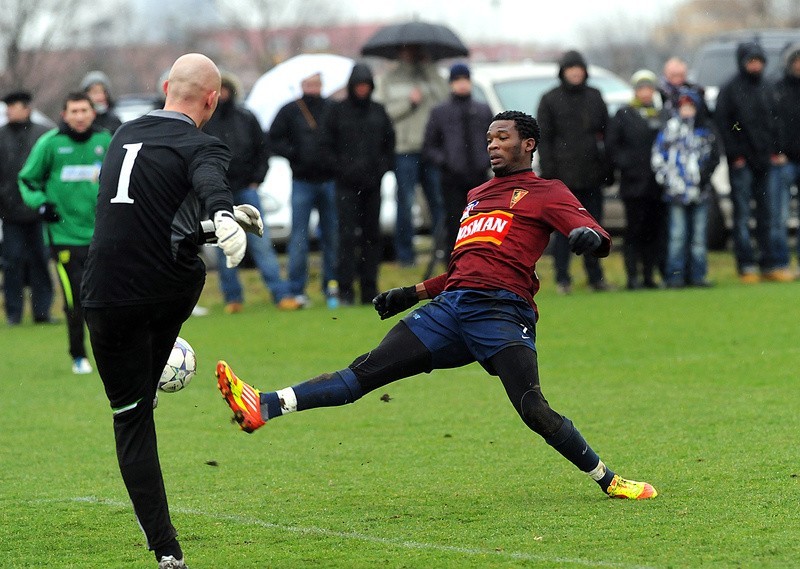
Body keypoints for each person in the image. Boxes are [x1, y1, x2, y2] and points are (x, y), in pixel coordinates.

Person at [215, 110, 658, 502]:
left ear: (528, 144)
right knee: (364, 371)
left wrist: (590, 240)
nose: (493, 144)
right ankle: (265, 404)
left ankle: (608, 478)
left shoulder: (547, 192)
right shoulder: (477, 195)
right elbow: (465, 267)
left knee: (533, 409)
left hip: (502, 312)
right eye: (489, 139)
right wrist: (411, 293)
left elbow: (595, 234)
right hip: (450, 308)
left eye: (502, 137)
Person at [81, 53, 253, 569]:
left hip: (103, 294)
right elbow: (208, 180)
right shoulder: (202, 143)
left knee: (130, 421)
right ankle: (154, 369)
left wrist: (208, 223)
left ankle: (166, 552)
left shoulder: (121, 134)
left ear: (163, 88)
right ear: (212, 99)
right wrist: (221, 213)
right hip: (162, 291)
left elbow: (139, 217)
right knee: (192, 270)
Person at [18, 92, 111, 373]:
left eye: (84, 110)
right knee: (75, 300)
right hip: (64, 238)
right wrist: (41, 205)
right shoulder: (51, 143)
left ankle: (112, 355)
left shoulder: (106, 141)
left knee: (107, 299)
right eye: (74, 111)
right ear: (64, 114)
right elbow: (27, 180)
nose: (79, 116)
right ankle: (79, 356)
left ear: (93, 113)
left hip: (102, 237)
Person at [203, 72, 299, 313]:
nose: (223, 94)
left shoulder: (246, 118)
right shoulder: (206, 122)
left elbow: (262, 150)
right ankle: (233, 299)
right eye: (219, 90)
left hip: (247, 189)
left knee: (260, 243)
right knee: (225, 244)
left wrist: (257, 179)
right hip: (218, 194)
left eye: (226, 89)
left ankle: (281, 294)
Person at [537, 50, 614, 294]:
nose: (575, 73)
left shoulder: (595, 96)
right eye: (570, 68)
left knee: (594, 228)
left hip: (592, 174)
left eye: (578, 68)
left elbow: (607, 133)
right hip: (562, 178)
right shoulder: (549, 99)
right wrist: (549, 174)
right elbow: (544, 139)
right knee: (562, 231)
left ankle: (596, 277)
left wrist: (608, 168)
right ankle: (563, 279)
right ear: (563, 71)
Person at [321, 62, 395, 305]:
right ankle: (345, 289)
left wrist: (380, 170)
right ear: (352, 86)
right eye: (358, 85)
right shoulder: (337, 111)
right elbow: (326, 146)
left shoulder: (379, 111)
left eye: (366, 85)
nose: (362, 90)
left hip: (373, 184)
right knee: (346, 236)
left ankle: (369, 287)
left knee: (372, 236)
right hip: (346, 185)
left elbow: (389, 146)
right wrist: (343, 170)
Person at [715, 41, 788, 283]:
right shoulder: (730, 90)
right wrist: (736, 153)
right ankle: (746, 265)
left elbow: (776, 121)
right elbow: (727, 125)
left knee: (767, 214)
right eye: (751, 61)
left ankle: (769, 264)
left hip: (766, 161)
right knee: (742, 215)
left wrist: (776, 149)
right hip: (742, 162)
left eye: (759, 61)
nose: (755, 65)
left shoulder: (768, 87)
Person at [374, 45, 450, 266]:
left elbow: (445, 101)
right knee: (405, 203)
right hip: (403, 150)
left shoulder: (434, 77)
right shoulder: (389, 79)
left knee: (437, 202)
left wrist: (428, 71)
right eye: (408, 50)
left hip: (430, 149)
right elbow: (382, 114)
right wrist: (409, 103)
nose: (413, 55)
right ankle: (405, 255)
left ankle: (441, 251)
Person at [270, 72, 338, 306]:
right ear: (301, 85)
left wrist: (332, 158)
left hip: (330, 179)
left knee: (332, 236)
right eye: (308, 84)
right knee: (299, 237)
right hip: (302, 180)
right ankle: (296, 288)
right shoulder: (290, 110)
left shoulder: (332, 108)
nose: (312, 88)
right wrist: (295, 154)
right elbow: (274, 139)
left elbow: (343, 138)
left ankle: (332, 285)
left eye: (316, 84)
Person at [423, 62, 494, 261]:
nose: (462, 85)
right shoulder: (440, 112)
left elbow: (493, 139)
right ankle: (454, 267)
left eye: (465, 80)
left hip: (479, 177)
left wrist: (486, 160)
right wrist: (446, 161)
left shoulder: (482, 110)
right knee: (454, 226)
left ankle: (481, 264)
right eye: (458, 80)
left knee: (481, 225)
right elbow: (429, 146)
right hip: (451, 178)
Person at [607, 70, 670, 290]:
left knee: (655, 231)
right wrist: (629, 165)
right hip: (633, 184)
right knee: (634, 231)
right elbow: (613, 147)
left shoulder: (661, 115)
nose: (645, 92)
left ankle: (650, 275)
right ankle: (632, 276)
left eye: (649, 88)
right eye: (641, 88)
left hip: (657, 184)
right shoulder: (624, 114)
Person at [652, 89, 720, 288]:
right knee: (677, 237)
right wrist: (670, 182)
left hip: (700, 192)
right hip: (676, 194)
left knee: (699, 238)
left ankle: (698, 276)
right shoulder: (670, 130)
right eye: (684, 106)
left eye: (691, 106)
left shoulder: (706, 131)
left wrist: (703, 180)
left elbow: (713, 158)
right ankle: (675, 277)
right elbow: (659, 158)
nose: (687, 110)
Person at [0, 90, 54, 325]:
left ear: (27, 108)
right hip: (10, 213)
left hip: (38, 213)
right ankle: (14, 314)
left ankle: (42, 312)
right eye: (8, 106)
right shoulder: (0, 136)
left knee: (41, 262)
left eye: (13, 106)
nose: (9, 110)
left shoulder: (44, 135)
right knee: (11, 263)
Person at [769, 43, 800, 276]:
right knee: (779, 215)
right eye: (796, 60)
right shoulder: (776, 90)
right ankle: (780, 264)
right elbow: (769, 125)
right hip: (783, 160)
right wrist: (776, 150)